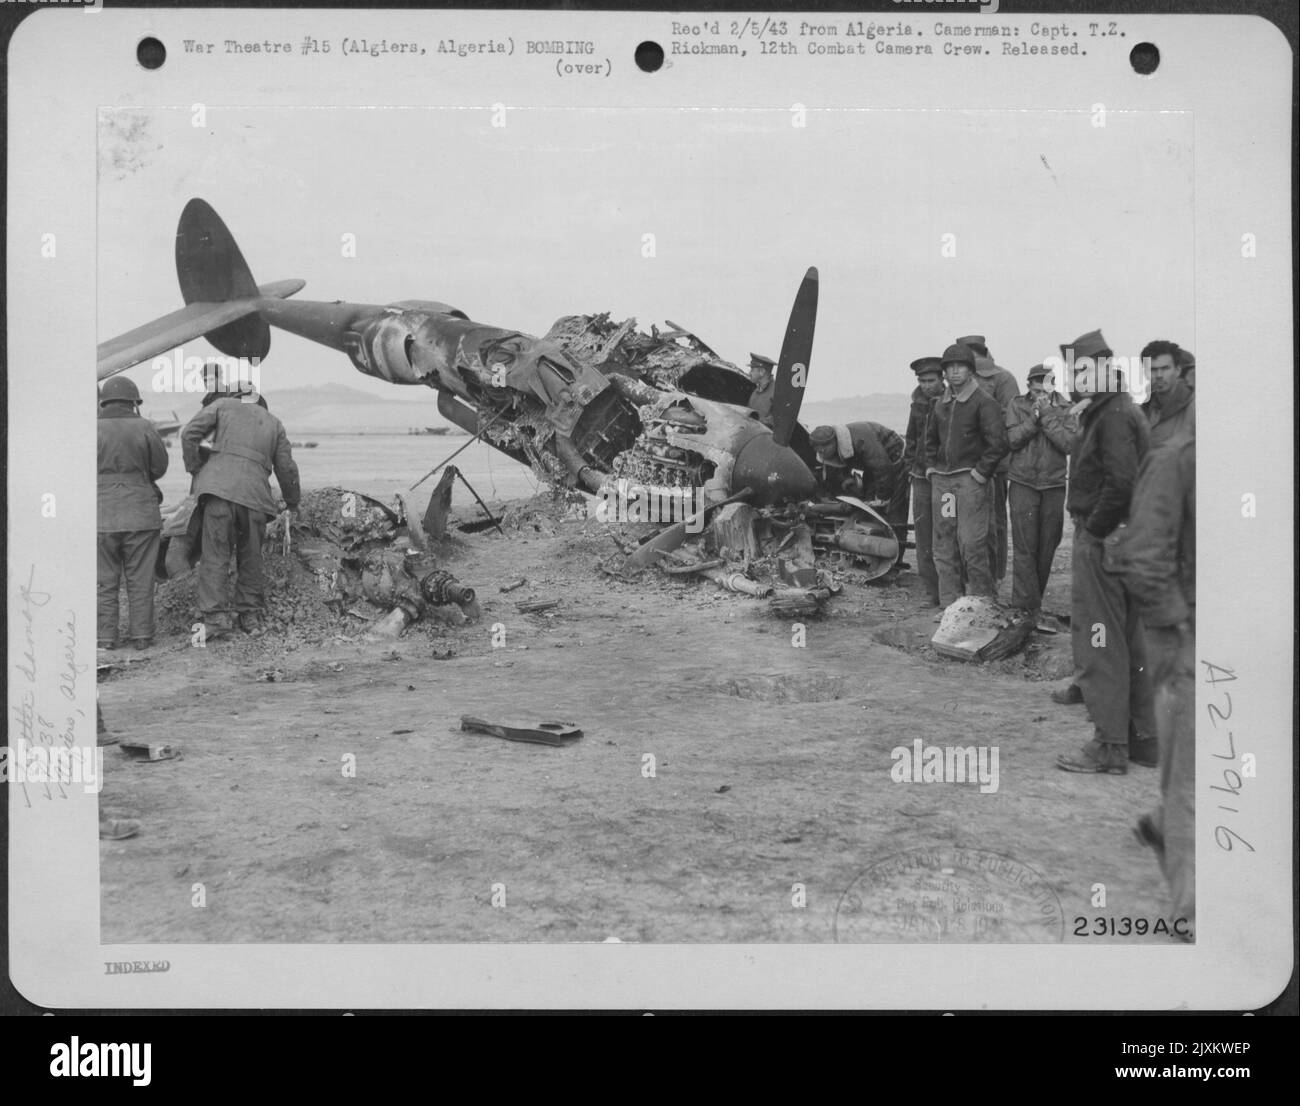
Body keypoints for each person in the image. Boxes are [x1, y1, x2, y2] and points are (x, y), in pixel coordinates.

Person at [1055, 330, 1157, 775]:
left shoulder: (1112, 414)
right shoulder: (1115, 408)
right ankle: (1143, 739)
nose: (1076, 378)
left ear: (1102, 366)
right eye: (1072, 371)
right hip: (1129, 537)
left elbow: (1121, 482)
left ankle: (1109, 745)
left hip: (1105, 538)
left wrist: (1094, 531)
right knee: (1131, 639)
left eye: (1082, 369)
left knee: (1100, 641)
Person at [1122, 432, 1196, 937]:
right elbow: (1144, 556)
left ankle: (1161, 822)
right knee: (1196, 783)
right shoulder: (1177, 461)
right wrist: (1183, 628)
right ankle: (1193, 914)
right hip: (1193, 645)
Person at [181, 384, 300, 637]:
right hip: (255, 497)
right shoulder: (274, 423)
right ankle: (250, 616)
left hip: (218, 494)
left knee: (215, 554)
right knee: (251, 556)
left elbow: (189, 434)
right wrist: (292, 502)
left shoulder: (221, 406)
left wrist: (196, 469)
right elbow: (286, 468)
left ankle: (215, 619)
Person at [923, 344, 1008, 607]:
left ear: (971, 370)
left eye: (960, 366)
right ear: (945, 373)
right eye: (949, 367)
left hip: (970, 484)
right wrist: (931, 468)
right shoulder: (940, 405)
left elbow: (998, 443)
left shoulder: (984, 402)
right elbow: (930, 441)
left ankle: (983, 606)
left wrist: (980, 474)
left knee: (972, 544)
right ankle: (951, 607)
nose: (954, 371)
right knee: (945, 544)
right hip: (944, 485)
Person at [97, 376, 169, 650]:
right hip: (141, 512)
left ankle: (105, 638)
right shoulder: (145, 427)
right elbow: (159, 468)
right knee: (140, 579)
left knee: (104, 581)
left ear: (104, 402)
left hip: (101, 515)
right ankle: (141, 637)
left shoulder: (90, 429)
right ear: (134, 402)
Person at [1004, 365, 1076, 616]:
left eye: (1044, 386)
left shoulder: (1067, 408)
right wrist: (1033, 420)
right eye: (1035, 387)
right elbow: (1012, 440)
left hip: (1054, 484)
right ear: (1028, 385)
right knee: (1024, 547)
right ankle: (1023, 607)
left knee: (1048, 546)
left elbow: (1068, 444)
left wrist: (1045, 416)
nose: (1039, 392)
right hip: (1023, 483)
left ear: (1053, 385)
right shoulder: (1016, 405)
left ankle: (1033, 604)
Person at [955, 334, 1020, 589]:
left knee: (989, 524)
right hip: (974, 465)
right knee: (983, 524)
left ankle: (990, 576)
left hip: (991, 464)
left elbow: (1011, 420)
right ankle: (984, 575)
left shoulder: (1001, 378)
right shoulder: (1002, 377)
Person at [809, 421, 909, 563]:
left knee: (895, 509)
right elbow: (842, 468)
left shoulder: (860, 441)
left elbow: (882, 468)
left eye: (825, 448)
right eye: (819, 450)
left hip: (895, 460)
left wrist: (882, 497)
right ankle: (871, 553)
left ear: (835, 442)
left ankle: (895, 561)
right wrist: (847, 480)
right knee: (868, 504)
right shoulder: (837, 447)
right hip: (873, 467)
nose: (823, 452)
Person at [903, 356, 946, 605]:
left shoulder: (951, 402)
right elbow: (910, 439)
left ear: (941, 379)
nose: (926, 385)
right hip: (920, 478)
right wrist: (911, 466)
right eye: (922, 380)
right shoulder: (916, 405)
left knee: (947, 533)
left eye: (931, 380)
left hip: (944, 478)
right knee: (923, 536)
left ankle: (952, 592)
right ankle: (932, 592)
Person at [1140, 340, 1195, 446]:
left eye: (1165, 368)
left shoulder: (1193, 408)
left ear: (1178, 370)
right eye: (1153, 369)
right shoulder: (1143, 411)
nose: (1159, 375)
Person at [746, 353, 776, 427]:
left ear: (762, 372)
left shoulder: (777, 392)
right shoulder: (755, 392)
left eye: (752, 370)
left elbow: (777, 422)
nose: (749, 373)